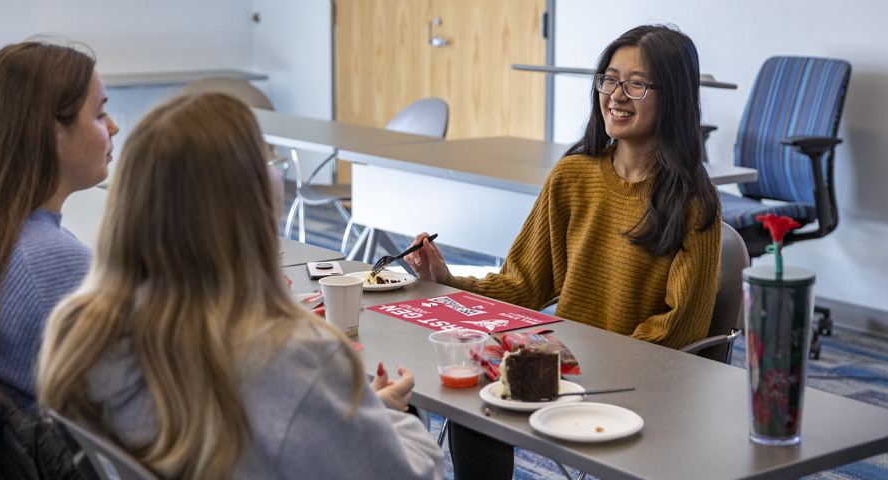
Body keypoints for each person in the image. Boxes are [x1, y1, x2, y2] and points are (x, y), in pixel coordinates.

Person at [37, 92, 444, 480]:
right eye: (264, 160)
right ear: (243, 205)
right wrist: (387, 417)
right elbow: (415, 471)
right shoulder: (293, 359)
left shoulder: (80, 333)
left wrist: (355, 413)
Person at [406, 25, 721, 479]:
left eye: (637, 84)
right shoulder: (574, 175)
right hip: (565, 367)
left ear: (672, 97)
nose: (616, 95)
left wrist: (586, 364)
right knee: (466, 391)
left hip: (638, 380)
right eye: (609, 79)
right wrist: (448, 280)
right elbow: (523, 284)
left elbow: (679, 330)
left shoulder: (693, 200)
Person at [0, 41, 117, 476]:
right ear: (52, 134)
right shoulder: (54, 263)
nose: (113, 127)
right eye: (98, 115)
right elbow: (137, 412)